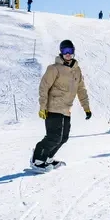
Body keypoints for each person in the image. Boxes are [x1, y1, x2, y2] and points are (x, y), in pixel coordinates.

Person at [31, 40, 92, 171]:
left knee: (63, 138)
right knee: (54, 137)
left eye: (70, 51)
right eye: (65, 51)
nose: (68, 54)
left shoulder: (77, 70)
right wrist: (43, 107)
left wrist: (86, 107)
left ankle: (47, 158)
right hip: (53, 107)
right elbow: (44, 87)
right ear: (61, 53)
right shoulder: (54, 68)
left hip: (66, 109)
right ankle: (37, 160)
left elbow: (81, 89)